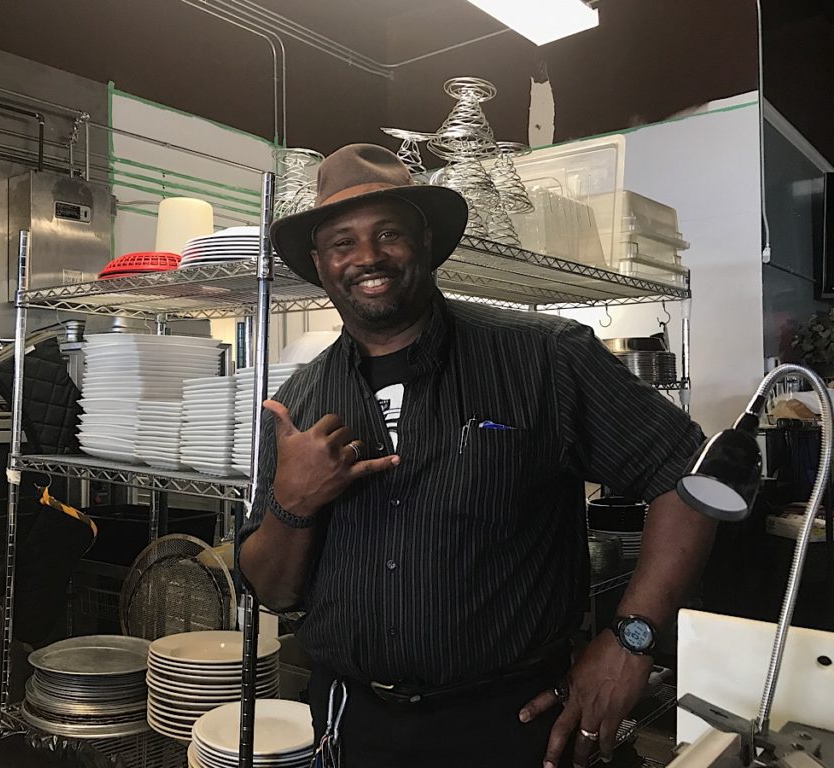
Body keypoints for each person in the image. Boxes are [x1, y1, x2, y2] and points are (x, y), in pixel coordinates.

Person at [237, 143, 716, 767]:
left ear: (425, 241)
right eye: (342, 242)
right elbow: (271, 591)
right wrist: (292, 504)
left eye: (388, 233)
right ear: (320, 265)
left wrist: (632, 639)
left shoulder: (543, 357)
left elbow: (688, 473)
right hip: (352, 723)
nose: (368, 256)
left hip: (512, 723)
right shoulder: (298, 402)